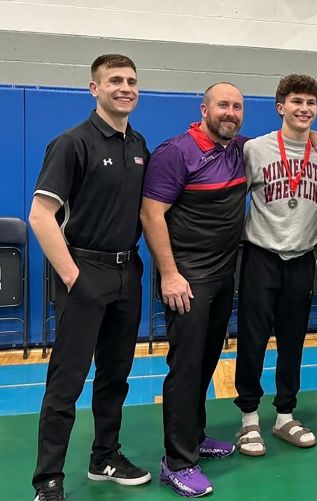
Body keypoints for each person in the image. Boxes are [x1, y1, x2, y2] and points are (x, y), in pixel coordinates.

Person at [29, 54, 151, 501]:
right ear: (94, 89)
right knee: (66, 383)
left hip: (127, 273)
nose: (125, 88)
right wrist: (73, 277)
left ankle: (105, 457)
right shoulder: (72, 143)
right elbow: (40, 215)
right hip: (84, 273)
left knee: (116, 376)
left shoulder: (138, 144)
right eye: (115, 80)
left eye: (131, 81)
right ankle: (48, 480)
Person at [140, 82, 245, 497]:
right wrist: (169, 274)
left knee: (205, 361)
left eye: (237, 107)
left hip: (223, 275)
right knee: (185, 367)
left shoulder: (237, 149)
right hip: (188, 278)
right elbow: (151, 214)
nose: (230, 112)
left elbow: (283, 140)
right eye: (223, 105)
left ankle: (195, 436)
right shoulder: (176, 152)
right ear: (204, 109)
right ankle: (177, 462)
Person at [233, 74, 317, 455]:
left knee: (293, 341)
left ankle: (285, 415)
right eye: (296, 101)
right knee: (252, 341)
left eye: (310, 103)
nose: (304, 109)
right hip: (261, 256)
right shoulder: (254, 149)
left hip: (301, 258)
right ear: (280, 107)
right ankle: (249, 419)